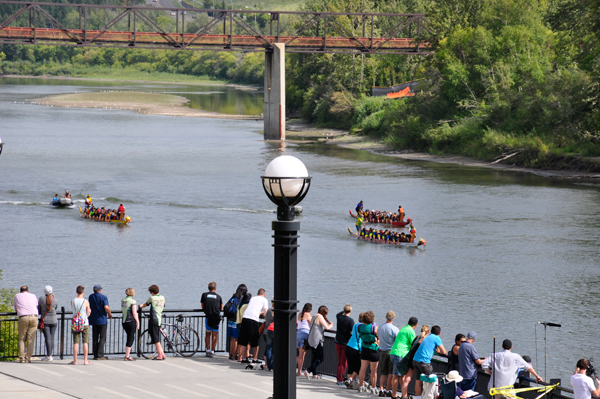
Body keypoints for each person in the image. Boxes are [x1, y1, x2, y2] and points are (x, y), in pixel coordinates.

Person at [413, 325, 447, 399]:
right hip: (424, 361)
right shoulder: (436, 338)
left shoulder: (427, 336)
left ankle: (419, 397)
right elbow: (444, 352)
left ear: (430, 331)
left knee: (418, 381)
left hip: (415, 359)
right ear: (440, 333)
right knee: (431, 380)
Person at [390, 316, 419, 399]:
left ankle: (404, 395)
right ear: (416, 325)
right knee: (396, 375)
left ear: (408, 322)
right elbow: (414, 344)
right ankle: (394, 395)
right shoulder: (411, 331)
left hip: (393, 352)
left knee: (402, 375)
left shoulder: (403, 328)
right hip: (400, 354)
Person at [238, 288, 268, 363]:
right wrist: (262, 315)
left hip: (245, 318)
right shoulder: (264, 300)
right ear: (264, 294)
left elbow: (251, 308)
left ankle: (244, 358)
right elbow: (266, 312)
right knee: (254, 340)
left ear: (257, 294)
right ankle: (255, 359)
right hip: (253, 320)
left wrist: (259, 312)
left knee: (245, 340)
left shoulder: (253, 298)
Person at [305, 305, 334, 378]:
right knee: (321, 358)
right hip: (317, 341)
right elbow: (327, 328)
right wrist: (331, 325)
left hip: (311, 340)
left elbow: (318, 325)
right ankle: (308, 370)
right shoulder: (320, 317)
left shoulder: (314, 315)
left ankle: (314, 374)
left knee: (314, 357)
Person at [139, 284, 166, 360]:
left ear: (152, 292)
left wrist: (141, 306)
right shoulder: (162, 297)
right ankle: (162, 354)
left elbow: (146, 304)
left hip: (153, 320)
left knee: (155, 339)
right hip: (159, 319)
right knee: (157, 337)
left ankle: (160, 355)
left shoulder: (152, 298)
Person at [13, 286, 38, 363]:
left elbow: (16, 308)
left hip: (23, 317)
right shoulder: (33, 295)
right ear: (28, 290)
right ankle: (28, 358)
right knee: (31, 339)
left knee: (22, 338)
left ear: (20, 291)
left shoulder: (17, 296)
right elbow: (36, 305)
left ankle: (22, 358)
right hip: (34, 317)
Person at [88, 284, 113, 360]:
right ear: (100, 290)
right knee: (102, 337)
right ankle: (100, 354)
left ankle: (95, 354)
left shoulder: (91, 297)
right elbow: (106, 307)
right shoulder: (103, 297)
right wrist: (109, 313)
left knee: (95, 337)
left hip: (93, 319)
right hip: (102, 320)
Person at [378, 311, 400, 397]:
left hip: (382, 351)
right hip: (391, 351)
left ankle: (381, 389)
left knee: (383, 373)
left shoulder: (380, 326)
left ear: (385, 317)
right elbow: (397, 341)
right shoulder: (395, 329)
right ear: (393, 318)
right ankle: (387, 390)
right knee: (391, 373)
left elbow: (378, 335)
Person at [358, 311, 379, 393]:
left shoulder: (359, 327)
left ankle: (361, 386)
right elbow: (377, 335)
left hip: (364, 348)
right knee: (373, 370)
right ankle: (373, 388)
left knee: (362, 368)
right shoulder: (374, 327)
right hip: (373, 348)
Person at [70, 285, 92, 365]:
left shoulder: (73, 301)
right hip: (84, 323)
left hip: (75, 323)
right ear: (83, 292)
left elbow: (73, 310)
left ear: (76, 292)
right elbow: (88, 313)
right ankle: (85, 360)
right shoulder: (86, 301)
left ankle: (75, 360)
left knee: (76, 342)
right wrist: (89, 310)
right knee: (85, 342)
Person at [201, 281, 222, 358]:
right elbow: (221, 307)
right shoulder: (219, 297)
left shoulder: (204, 295)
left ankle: (207, 350)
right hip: (216, 317)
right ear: (215, 288)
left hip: (208, 317)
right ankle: (212, 351)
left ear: (208, 288)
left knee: (208, 334)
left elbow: (202, 306)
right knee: (215, 335)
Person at [225, 284, 247, 360]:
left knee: (232, 338)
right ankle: (235, 355)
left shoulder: (233, 296)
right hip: (236, 320)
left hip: (230, 319)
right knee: (236, 338)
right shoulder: (242, 298)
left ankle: (231, 354)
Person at [335, 304, 354, 385]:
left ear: (343, 310)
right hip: (346, 343)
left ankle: (339, 378)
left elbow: (338, 314)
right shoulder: (350, 320)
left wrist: (343, 311)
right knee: (343, 362)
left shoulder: (339, 317)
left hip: (338, 342)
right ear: (350, 311)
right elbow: (353, 332)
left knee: (340, 361)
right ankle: (340, 380)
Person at [38, 286, 58, 361]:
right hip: (54, 320)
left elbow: (39, 309)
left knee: (47, 338)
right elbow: (55, 308)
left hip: (45, 321)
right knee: (52, 337)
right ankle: (50, 355)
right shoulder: (55, 299)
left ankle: (49, 355)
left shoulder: (41, 299)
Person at [345, 312, 364, 390]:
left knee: (350, 365)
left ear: (358, 319)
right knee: (358, 366)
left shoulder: (355, 325)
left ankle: (350, 384)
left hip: (349, 346)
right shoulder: (363, 327)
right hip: (356, 349)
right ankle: (350, 379)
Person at [121, 288, 140, 361]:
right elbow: (134, 313)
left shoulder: (123, 300)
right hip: (131, 321)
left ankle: (127, 354)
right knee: (131, 338)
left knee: (129, 337)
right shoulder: (133, 301)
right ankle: (127, 355)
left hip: (124, 321)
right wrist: (138, 322)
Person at [296, 303, 312, 375]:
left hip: (298, 333)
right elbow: (312, 324)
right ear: (310, 309)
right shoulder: (308, 315)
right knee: (302, 355)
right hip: (305, 334)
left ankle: (298, 370)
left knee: (300, 353)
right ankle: (299, 371)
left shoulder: (300, 314)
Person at [236, 290, 251, 362]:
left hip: (238, 323)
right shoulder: (246, 306)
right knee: (246, 342)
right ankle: (245, 356)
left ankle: (239, 357)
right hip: (243, 324)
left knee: (241, 342)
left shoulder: (240, 305)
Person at [263, 302, 274, 371]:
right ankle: (274, 364)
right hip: (275, 331)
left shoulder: (269, 310)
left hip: (268, 330)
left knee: (269, 348)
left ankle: (269, 365)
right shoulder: (277, 310)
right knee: (276, 348)